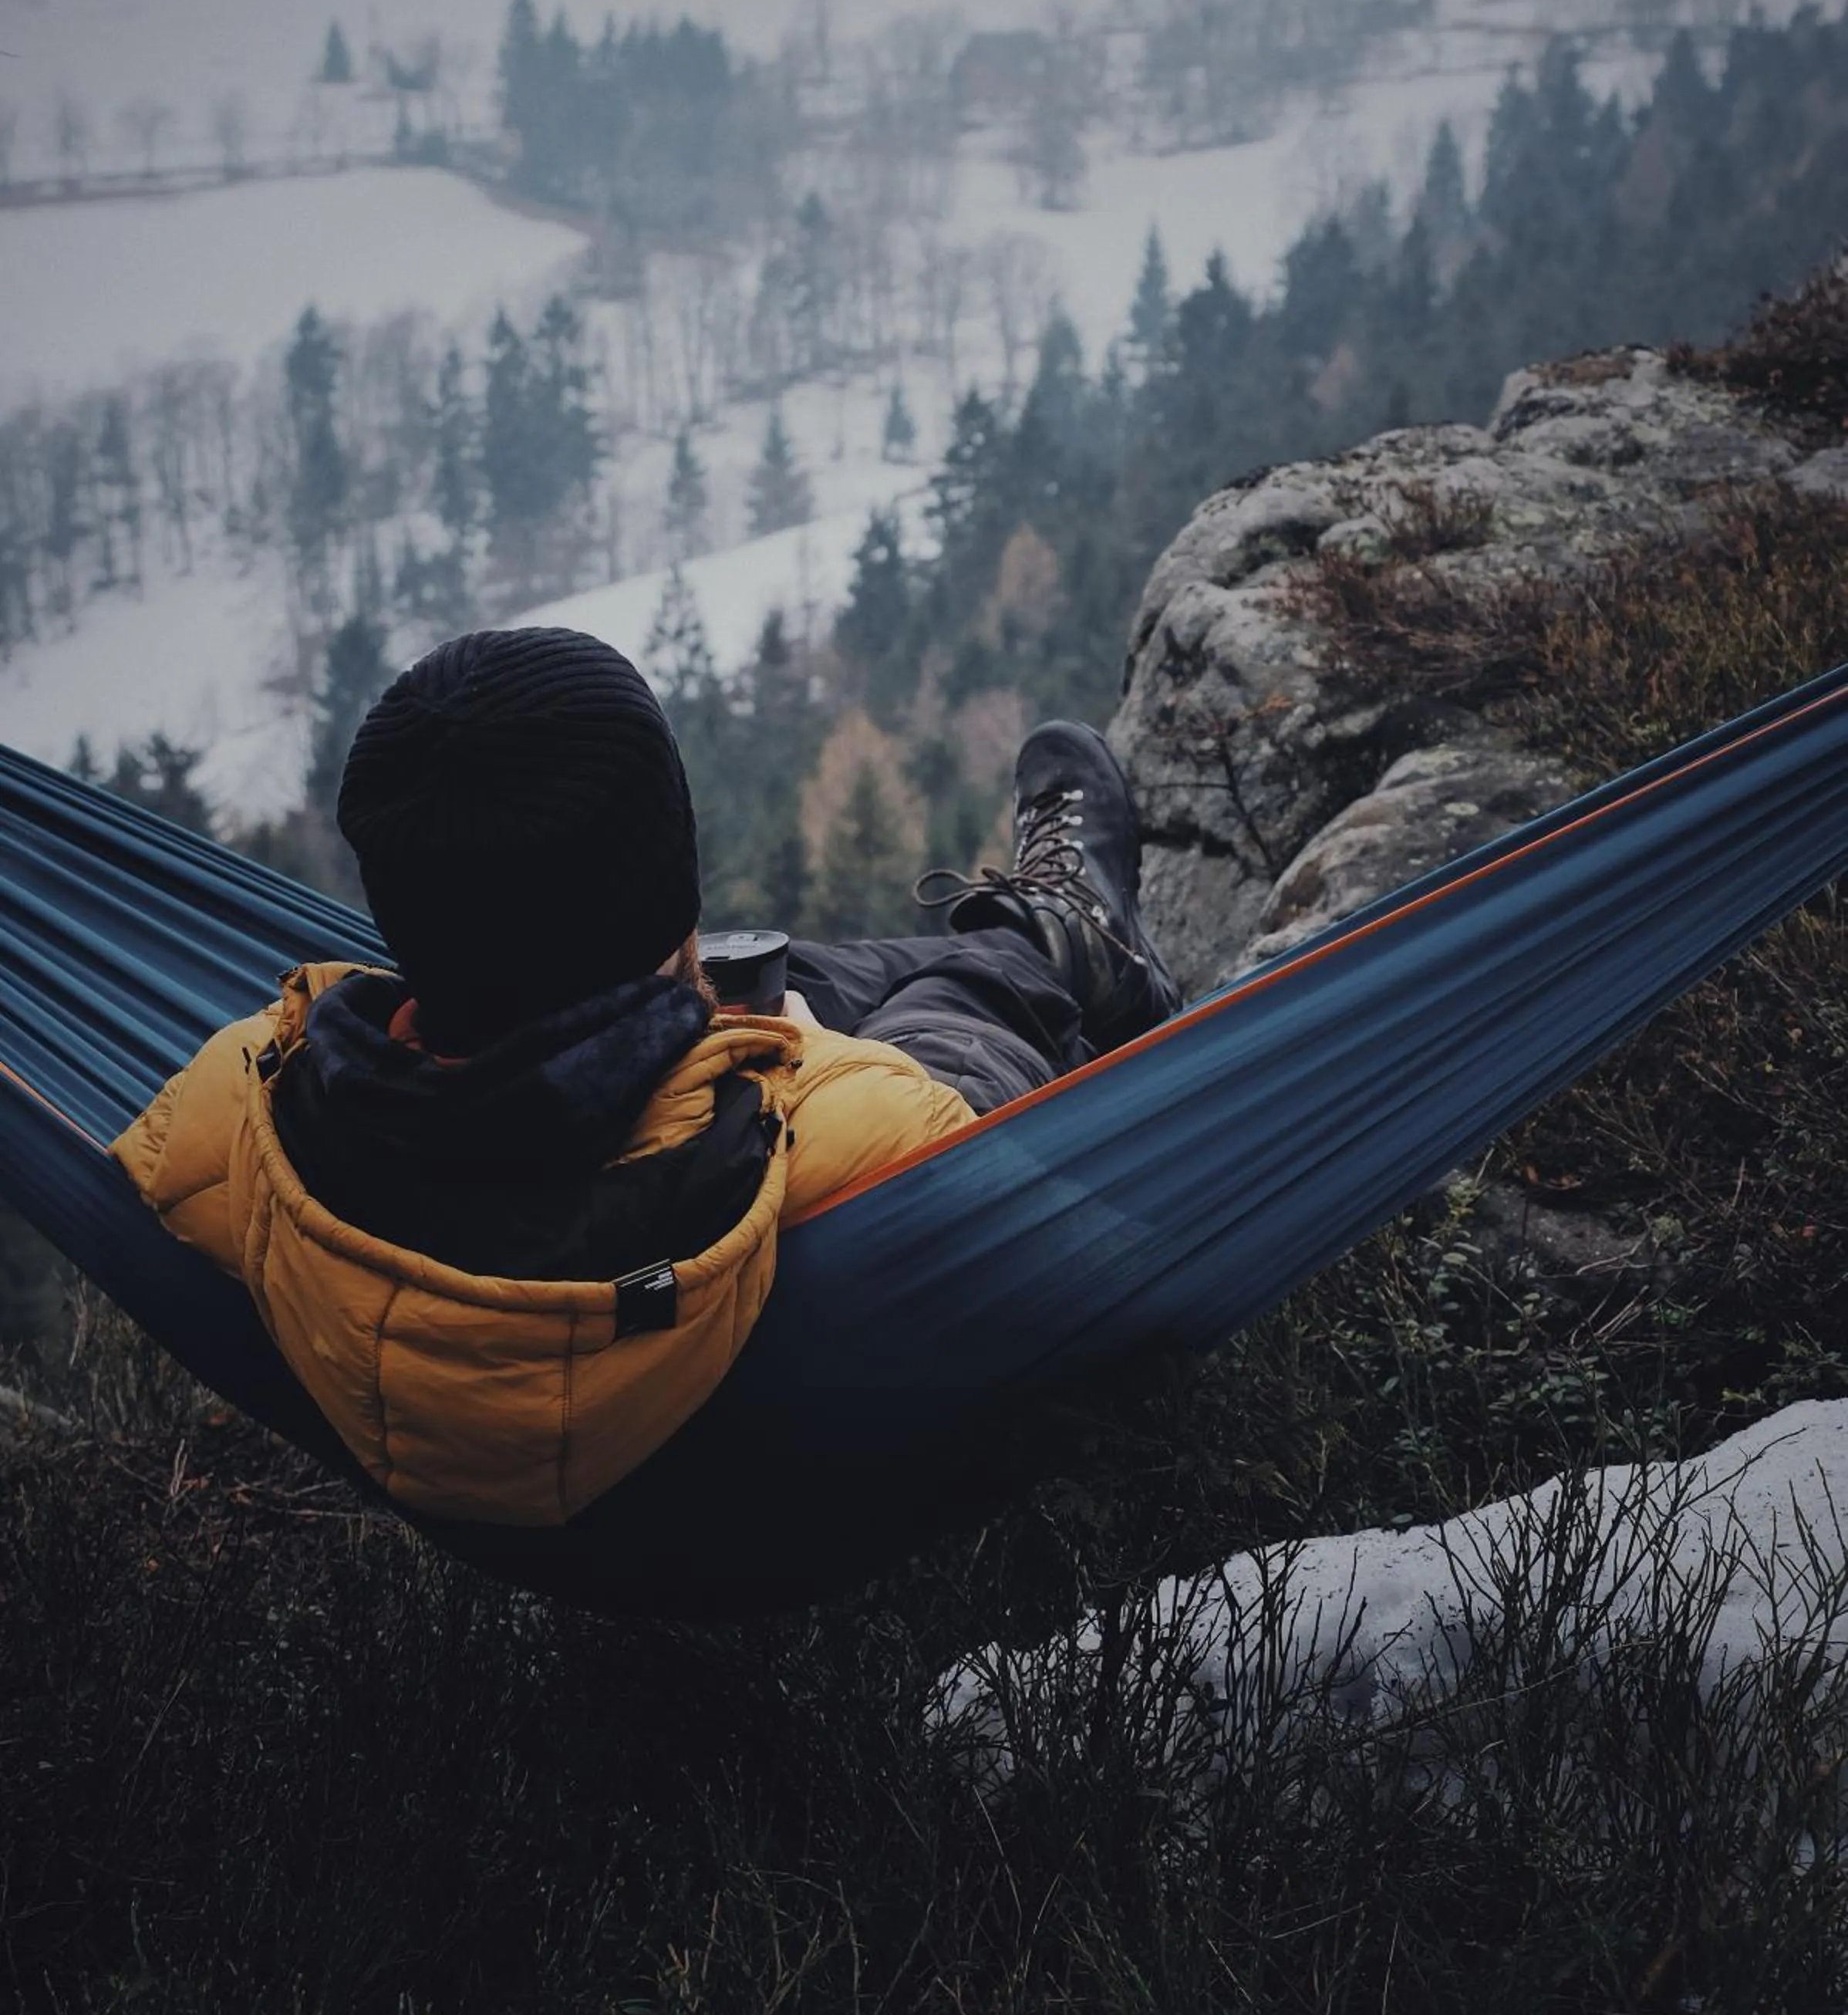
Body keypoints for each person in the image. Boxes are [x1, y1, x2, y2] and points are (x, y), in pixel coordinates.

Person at [111, 627, 1179, 1531]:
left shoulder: (232, 1108)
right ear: (670, 872)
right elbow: (1112, 1265)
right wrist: (811, 1055)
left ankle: (1022, 938)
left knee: (794, 974)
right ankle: (1057, 944)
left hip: (478, 1253)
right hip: (760, 1489)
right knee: (962, 999)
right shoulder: (855, 1122)